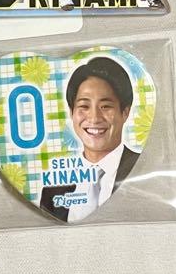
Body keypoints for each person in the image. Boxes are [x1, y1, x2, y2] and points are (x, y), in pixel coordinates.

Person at [39, 54, 140, 223]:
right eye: (84, 106)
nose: (94, 118)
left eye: (105, 106)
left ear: (125, 112)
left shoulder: (143, 169)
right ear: (71, 113)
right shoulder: (54, 188)